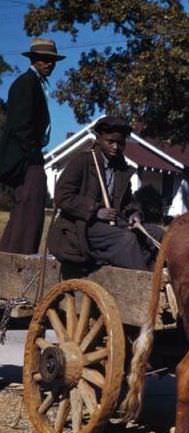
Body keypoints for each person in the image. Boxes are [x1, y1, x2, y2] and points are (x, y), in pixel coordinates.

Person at [49, 116, 163, 270]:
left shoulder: (121, 168)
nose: (116, 147)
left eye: (120, 143)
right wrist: (95, 211)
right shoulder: (82, 161)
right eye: (110, 141)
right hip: (82, 225)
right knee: (126, 239)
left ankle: (154, 278)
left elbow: (128, 202)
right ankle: (142, 285)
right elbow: (62, 196)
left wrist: (134, 214)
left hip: (113, 225)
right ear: (99, 139)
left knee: (156, 233)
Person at [0, 38, 65, 254]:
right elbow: (20, 126)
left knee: (29, 206)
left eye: (52, 60)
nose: (49, 64)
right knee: (30, 204)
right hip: (25, 157)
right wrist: (32, 155)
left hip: (30, 155)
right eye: (44, 60)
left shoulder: (36, 83)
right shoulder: (26, 84)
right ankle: (17, 257)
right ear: (34, 59)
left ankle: (11, 255)